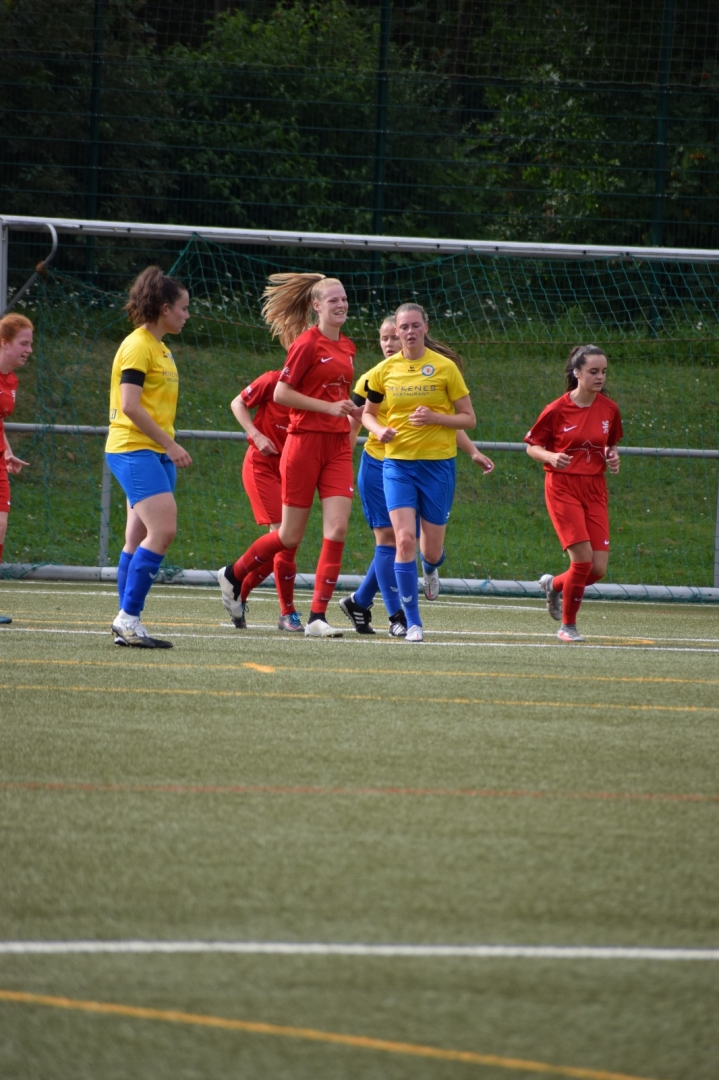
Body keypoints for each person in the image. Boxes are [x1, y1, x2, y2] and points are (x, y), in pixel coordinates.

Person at [217, 272, 356, 638]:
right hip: (303, 444)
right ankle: (234, 575)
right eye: (333, 299)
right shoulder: (306, 343)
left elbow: (337, 397)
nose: (341, 304)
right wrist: (327, 409)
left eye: (344, 298)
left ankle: (316, 617)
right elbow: (281, 393)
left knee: (338, 528)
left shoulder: (348, 346)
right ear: (316, 306)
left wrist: (352, 414)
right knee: (288, 536)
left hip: (338, 446)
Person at [340, 316, 493, 637]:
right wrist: (344, 461)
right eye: (385, 337)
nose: (390, 343)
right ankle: (400, 617)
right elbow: (356, 420)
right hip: (382, 464)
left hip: (431, 464)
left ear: (422, 330)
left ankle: (361, 600)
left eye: (394, 337)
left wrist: (473, 451)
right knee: (395, 540)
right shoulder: (374, 376)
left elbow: (452, 420)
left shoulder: (438, 369)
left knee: (418, 547)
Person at [105, 266, 192, 648]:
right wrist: (170, 444)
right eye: (183, 308)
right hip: (134, 448)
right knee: (163, 531)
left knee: (137, 536)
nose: (187, 314)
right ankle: (127, 619)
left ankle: (126, 620)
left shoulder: (161, 348)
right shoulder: (139, 345)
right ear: (164, 309)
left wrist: (165, 447)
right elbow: (129, 405)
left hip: (152, 452)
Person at [524, 344, 623, 643]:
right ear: (576, 372)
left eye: (603, 371)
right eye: (593, 371)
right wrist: (551, 456)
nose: (600, 377)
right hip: (562, 486)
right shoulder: (557, 409)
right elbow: (532, 447)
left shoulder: (609, 409)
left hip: (594, 488)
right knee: (582, 561)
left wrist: (612, 456)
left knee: (597, 569)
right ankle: (568, 627)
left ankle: (554, 585)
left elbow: (609, 444)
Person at [229, 368, 302, 631]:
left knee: (284, 545)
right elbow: (237, 403)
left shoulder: (316, 391)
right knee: (284, 539)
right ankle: (287, 613)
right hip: (262, 466)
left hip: (291, 470)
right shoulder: (273, 380)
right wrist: (257, 434)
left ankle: (237, 592)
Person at [0, 313, 33, 626]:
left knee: (0, 526)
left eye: (30, 344)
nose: (29, 350)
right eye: (24, 343)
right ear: (4, 343)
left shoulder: (11, 380)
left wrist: (7, 452)